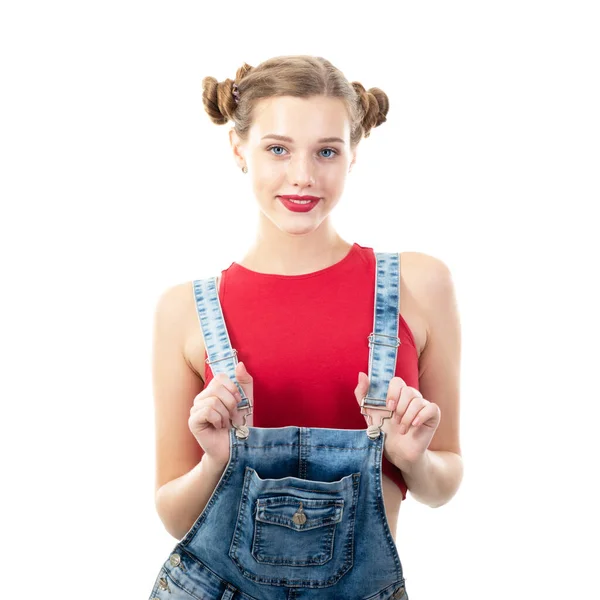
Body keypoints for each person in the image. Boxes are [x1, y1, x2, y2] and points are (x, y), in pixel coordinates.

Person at [149, 54, 463, 600]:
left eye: (326, 152)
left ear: (353, 154)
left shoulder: (419, 285)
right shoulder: (186, 309)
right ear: (238, 149)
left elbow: (443, 484)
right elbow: (176, 516)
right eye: (278, 149)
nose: (303, 176)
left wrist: (414, 457)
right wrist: (215, 460)